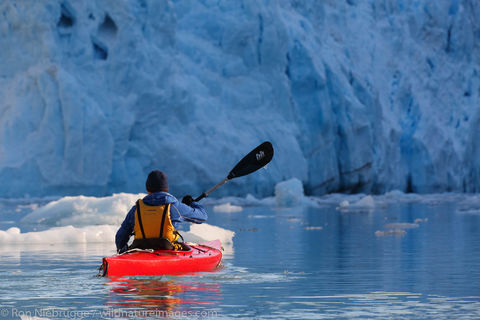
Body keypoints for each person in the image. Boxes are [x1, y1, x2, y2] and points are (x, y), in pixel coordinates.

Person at [115, 170, 207, 253]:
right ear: (166, 189)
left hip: (141, 251)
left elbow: (120, 237)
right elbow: (202, 217)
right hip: (168, 251)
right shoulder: (175, 207)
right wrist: (192, 203)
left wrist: (123, 252)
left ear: (147, 189)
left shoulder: (136, 209)